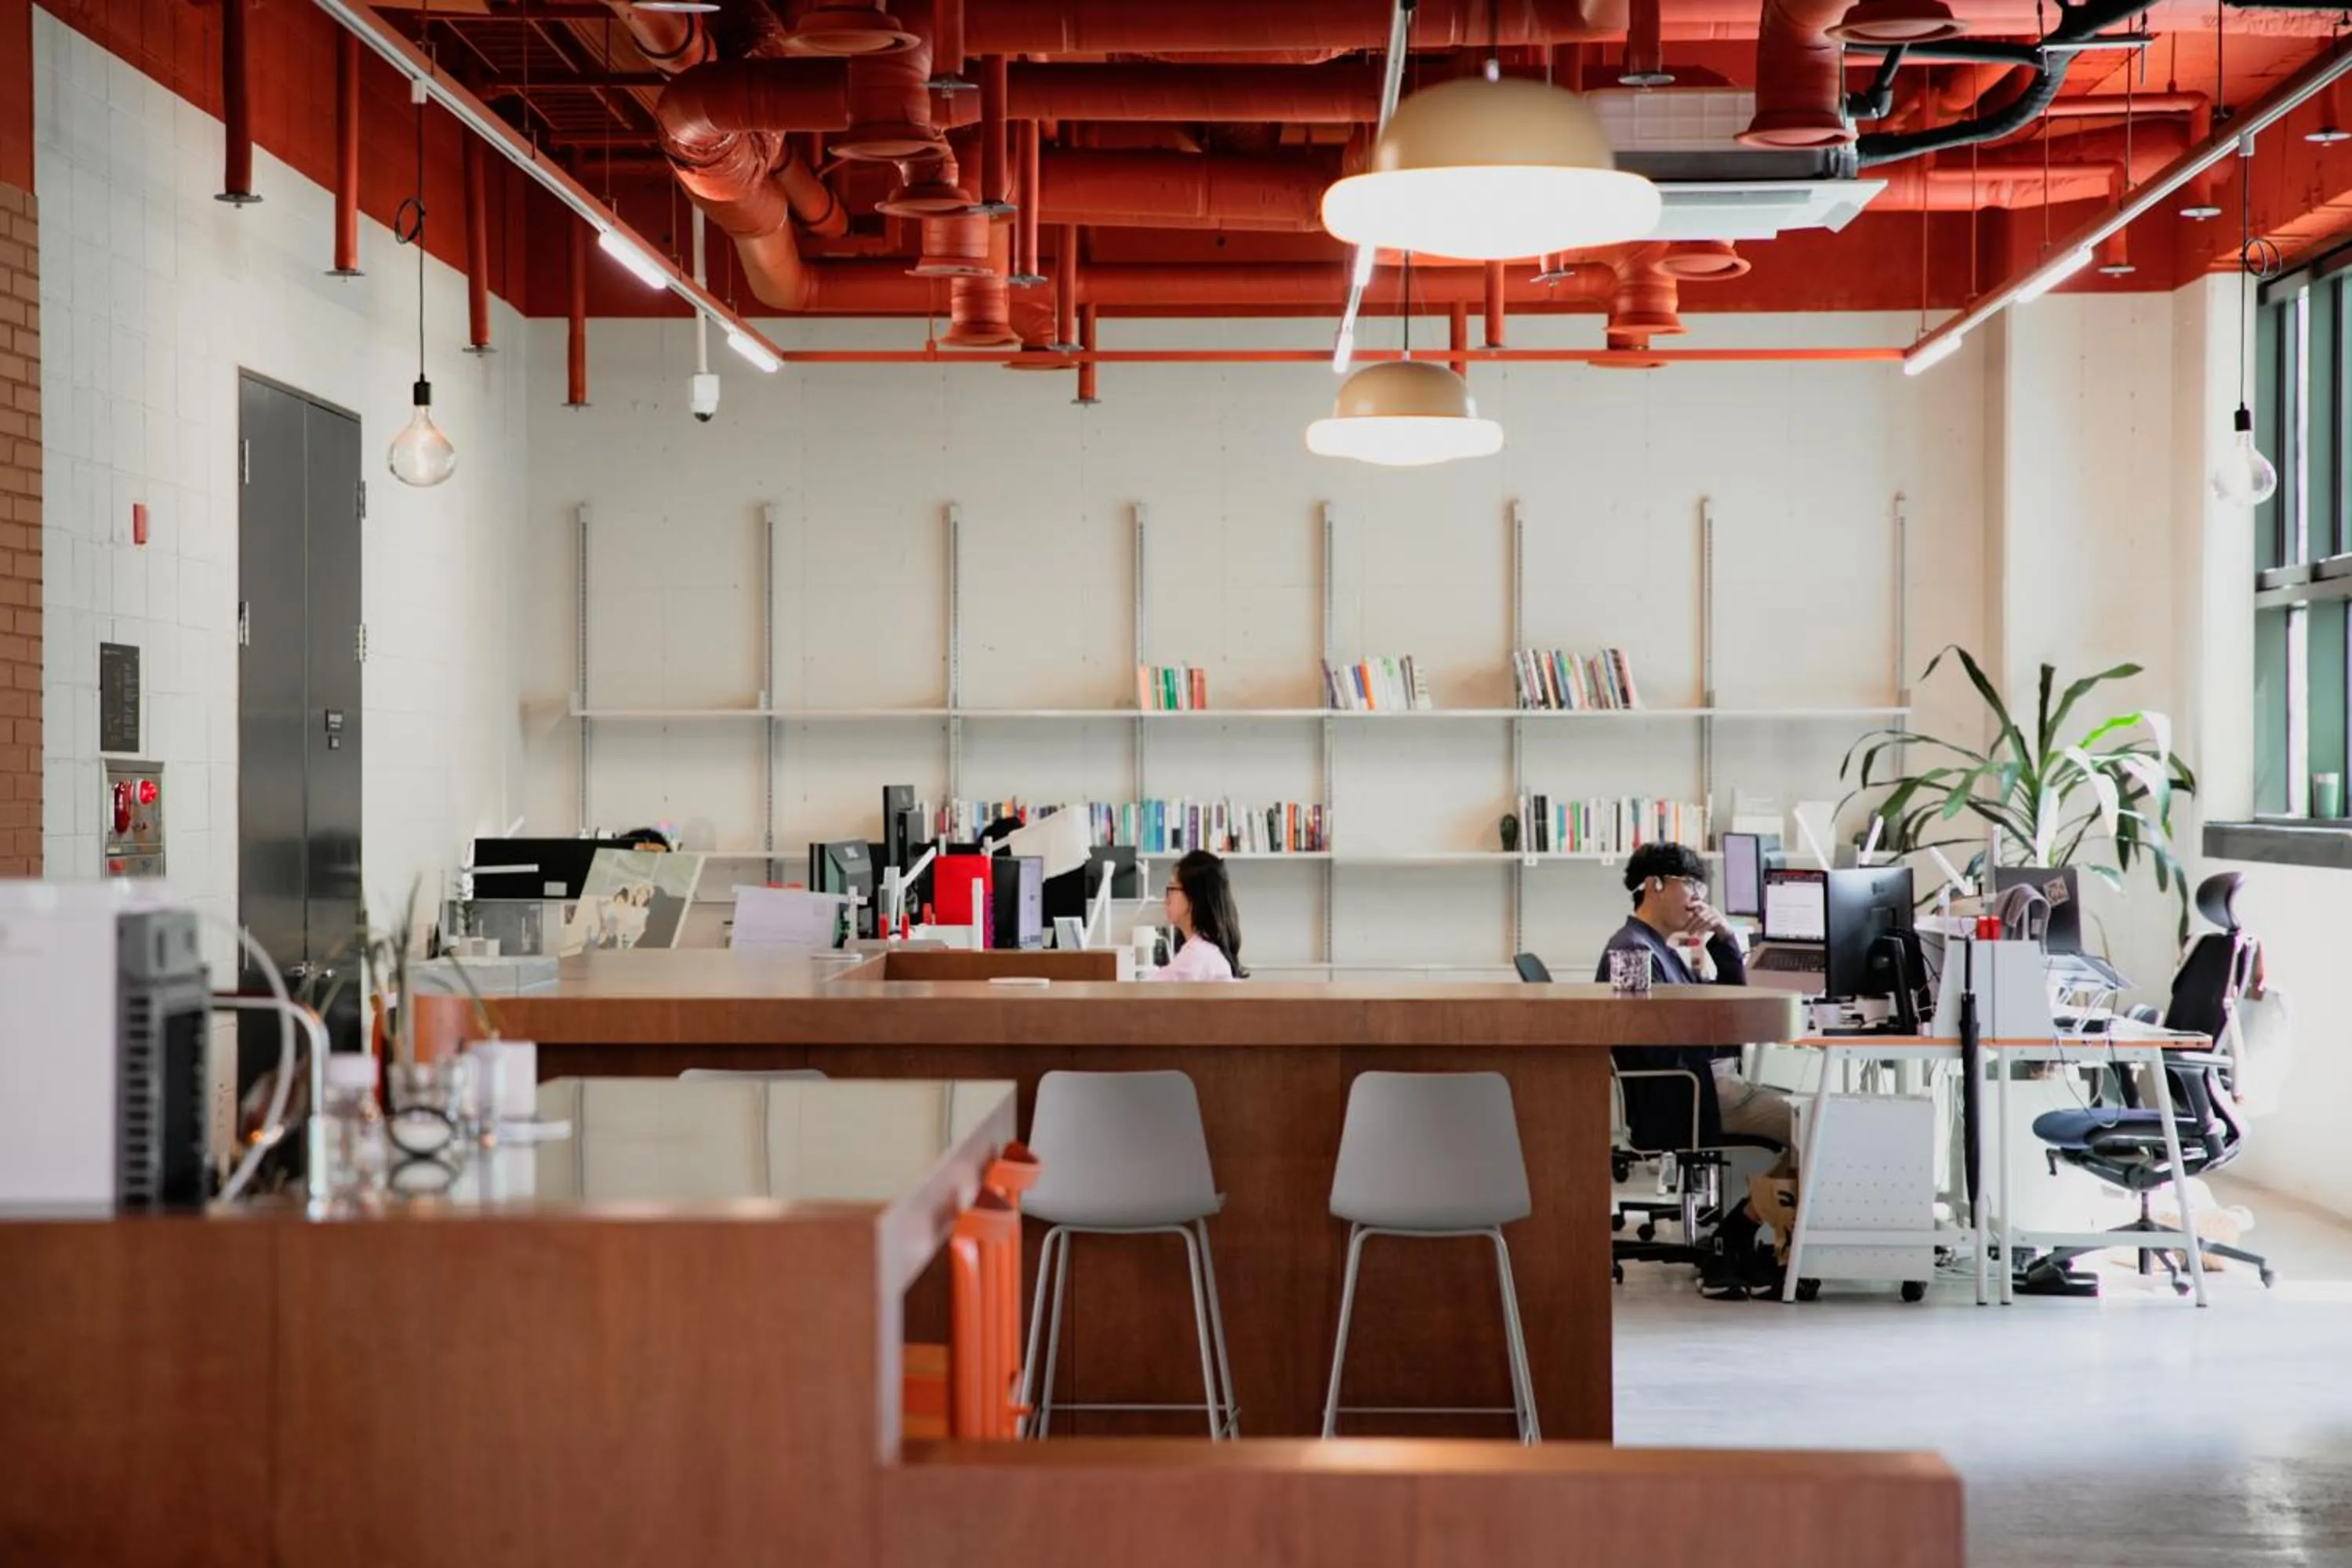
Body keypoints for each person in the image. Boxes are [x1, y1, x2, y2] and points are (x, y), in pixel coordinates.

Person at [1595, 841, 1791, 1152]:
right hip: (1691, 1096)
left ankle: (1763, 1185)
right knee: (1809, 1126)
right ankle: (1765, 1187)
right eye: (1690, 884)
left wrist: (1724, 937)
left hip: (1703, 1085)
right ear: (1655, 885)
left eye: (1700, 886)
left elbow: (1729, 1001)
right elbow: (1651, 1047)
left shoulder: (1658, 948)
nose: (1699, 897)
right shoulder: (1634, 953)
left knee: (1807, 1119)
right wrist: (1718, 1038)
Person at [1147, 850, 1246, 982]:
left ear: (1194, 897)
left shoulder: (1197, 954)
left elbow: (1147, 989)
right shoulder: (1204, 950)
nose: (1166, 899)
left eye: (1171, 889)